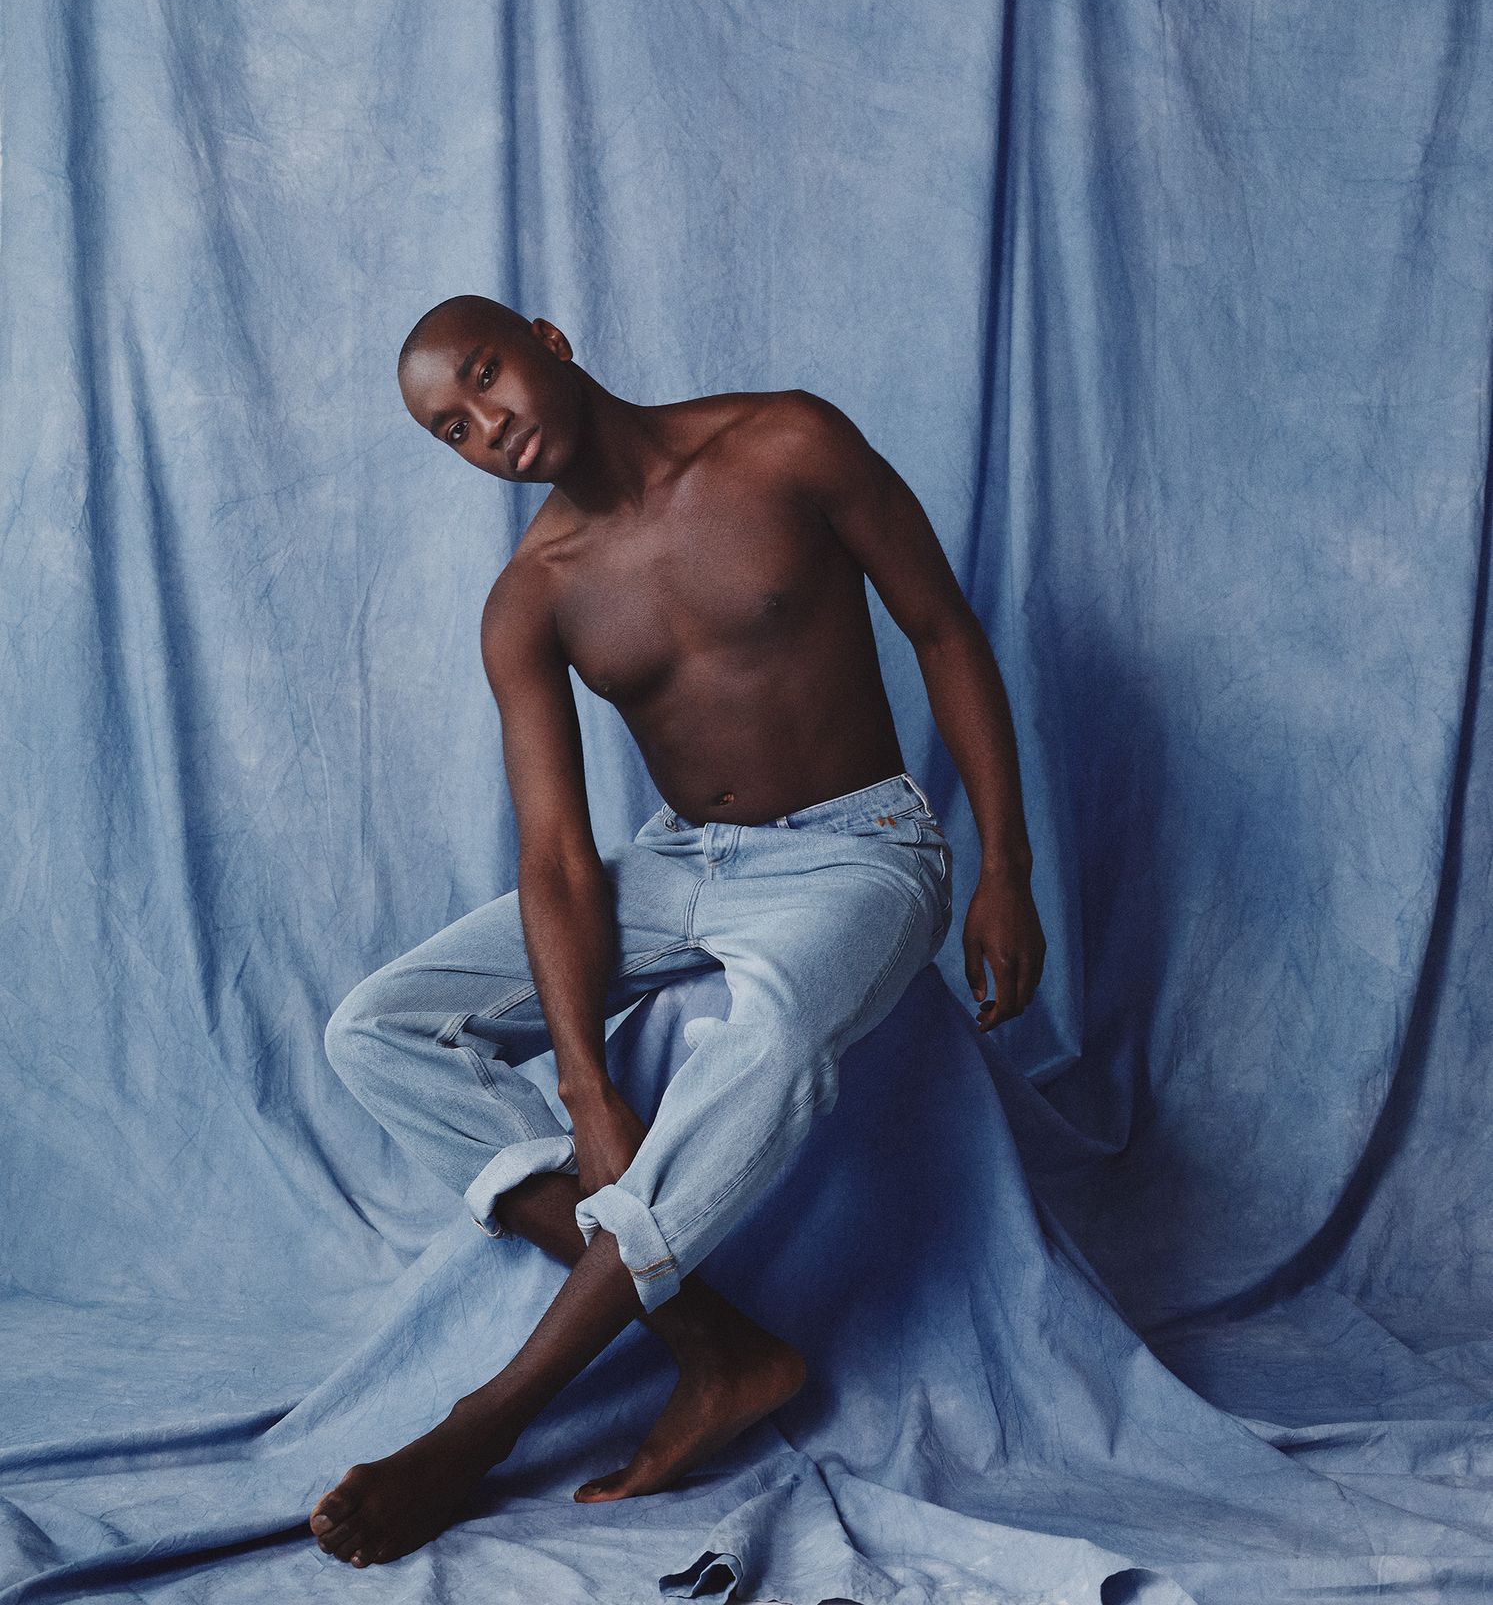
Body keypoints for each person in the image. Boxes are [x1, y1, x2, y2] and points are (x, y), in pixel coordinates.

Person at [308, 294, 1046, 1568]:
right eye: (451, 429)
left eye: (485, 379)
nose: (486, 427)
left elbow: (941, 627)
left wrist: (1005, 868)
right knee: (373, 1027)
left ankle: (486, 1419)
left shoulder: (787, 443)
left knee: (767, 1041)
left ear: (551, 339)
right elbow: (551, 852)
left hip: (855, 850)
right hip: (675, 862)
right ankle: (711, 1344)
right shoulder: (529, 597)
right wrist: (586, 1087)